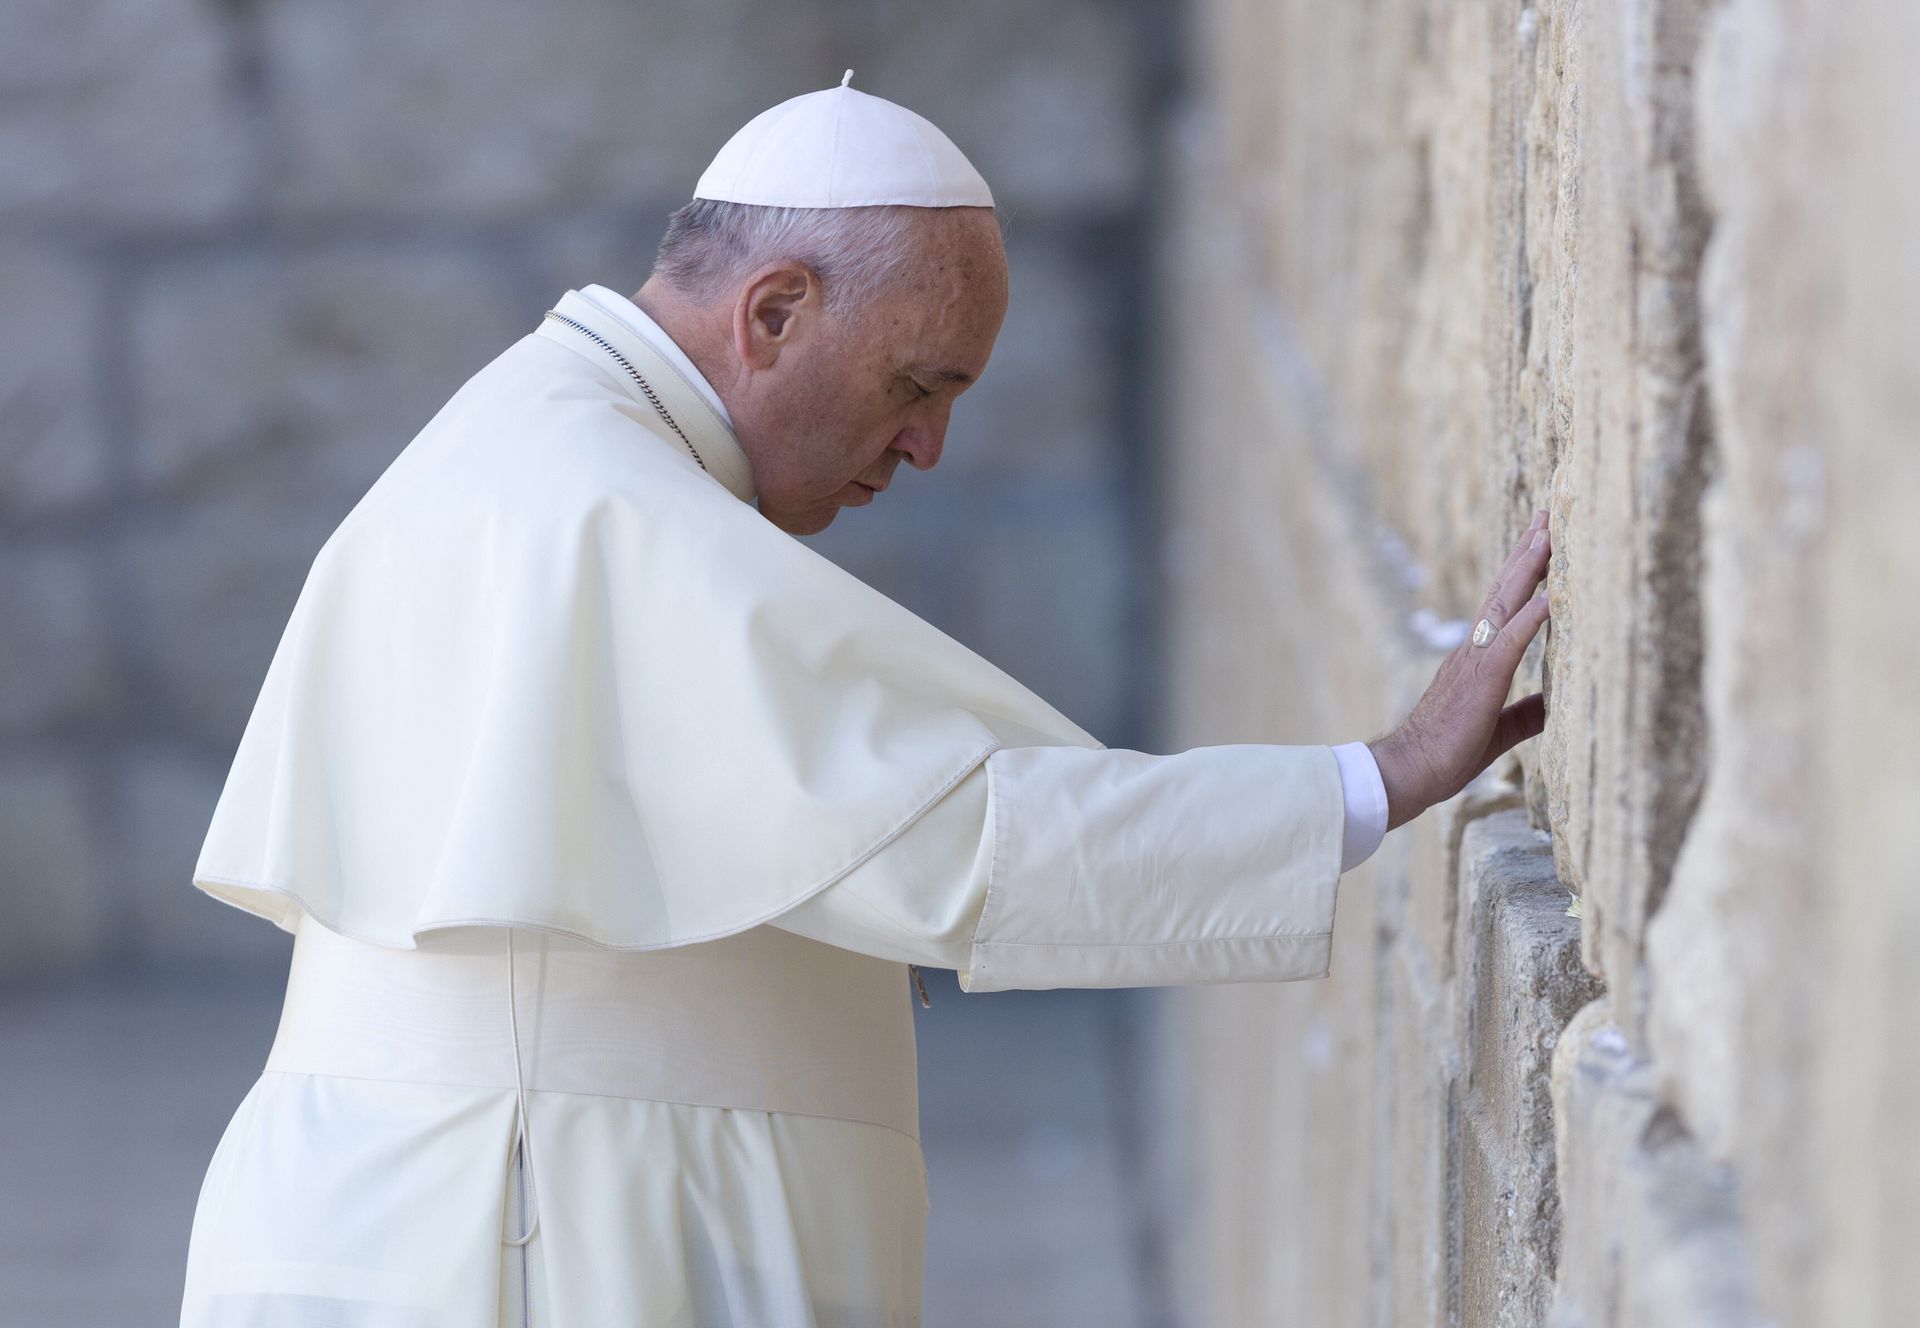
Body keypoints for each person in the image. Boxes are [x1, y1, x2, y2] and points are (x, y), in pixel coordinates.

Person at [177, 73, 1552, 1327]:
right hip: (526, 1243)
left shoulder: (538, 442)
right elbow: (966, 837)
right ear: (774, 313)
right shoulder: (609, 513)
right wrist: (1380, 775)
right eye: (916, 383)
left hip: (468, 1218)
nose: (929, 446)